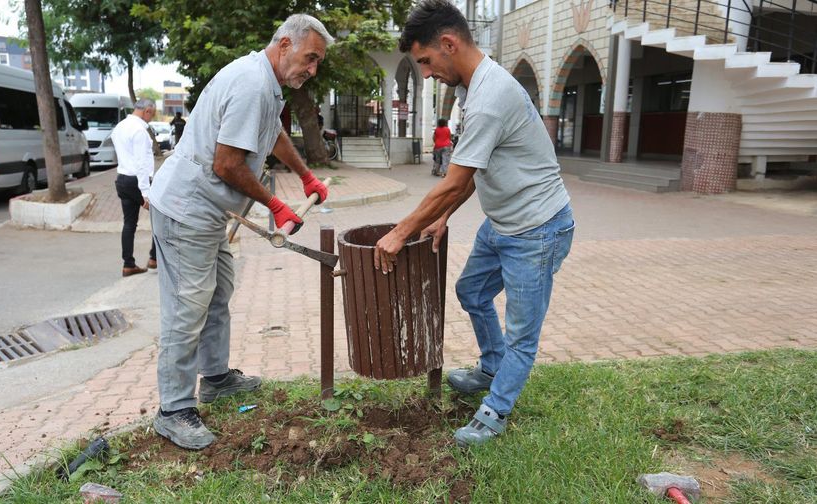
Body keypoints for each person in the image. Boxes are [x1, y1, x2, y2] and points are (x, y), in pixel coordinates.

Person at [374, 0, 575, 447]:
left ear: (449, 43)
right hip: (502, 222)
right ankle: (492, 366)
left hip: (538, 228)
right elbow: (471, 170)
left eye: (426, 61)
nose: (426, 73)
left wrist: (399, 233)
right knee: (472, 291)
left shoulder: (489, 98)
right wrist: (443, 216)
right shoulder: (473, 89)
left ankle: (495, 411)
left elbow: (452, 182)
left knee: (522, 333)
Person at [148, 14, 333, 450]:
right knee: (187, 305)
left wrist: (305, 175)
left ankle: (216, 379)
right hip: (186, 209)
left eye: (317, 62)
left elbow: (272, 135)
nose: (312, 69)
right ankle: (173, 410)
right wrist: (275, 205)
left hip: (208, 211)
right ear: (284, 44)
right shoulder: (252, 83)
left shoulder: (266, 83)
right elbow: (227, 164)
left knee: (218, 291)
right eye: (310, 58)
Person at [110, 98, 157, 277]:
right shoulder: (139, 131)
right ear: (147, 111)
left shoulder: (119, 127)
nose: (151, 118)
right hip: (137, 181)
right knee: (161, 216)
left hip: (122, 179)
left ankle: (128, 264)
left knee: (129, 223)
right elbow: (141, 164)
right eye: (152, 114)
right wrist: (145, 193)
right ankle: (154, 258)